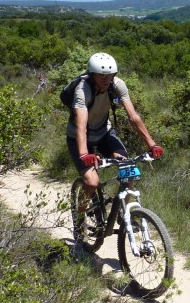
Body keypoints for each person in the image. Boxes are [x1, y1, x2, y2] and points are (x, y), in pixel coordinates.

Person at [67, 52, 164, 202]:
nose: (107, 79)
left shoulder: (117, 84)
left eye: (110, 75)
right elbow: (81, 126)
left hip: (104, 133)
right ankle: (79, 217)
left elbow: (133, 117)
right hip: (79, 138)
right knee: (92, 183)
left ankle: (124, 216)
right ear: (92, 75)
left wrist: (152, 145)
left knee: (128, 171)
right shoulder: (82, 90)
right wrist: (84, 154)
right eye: (102, 75)